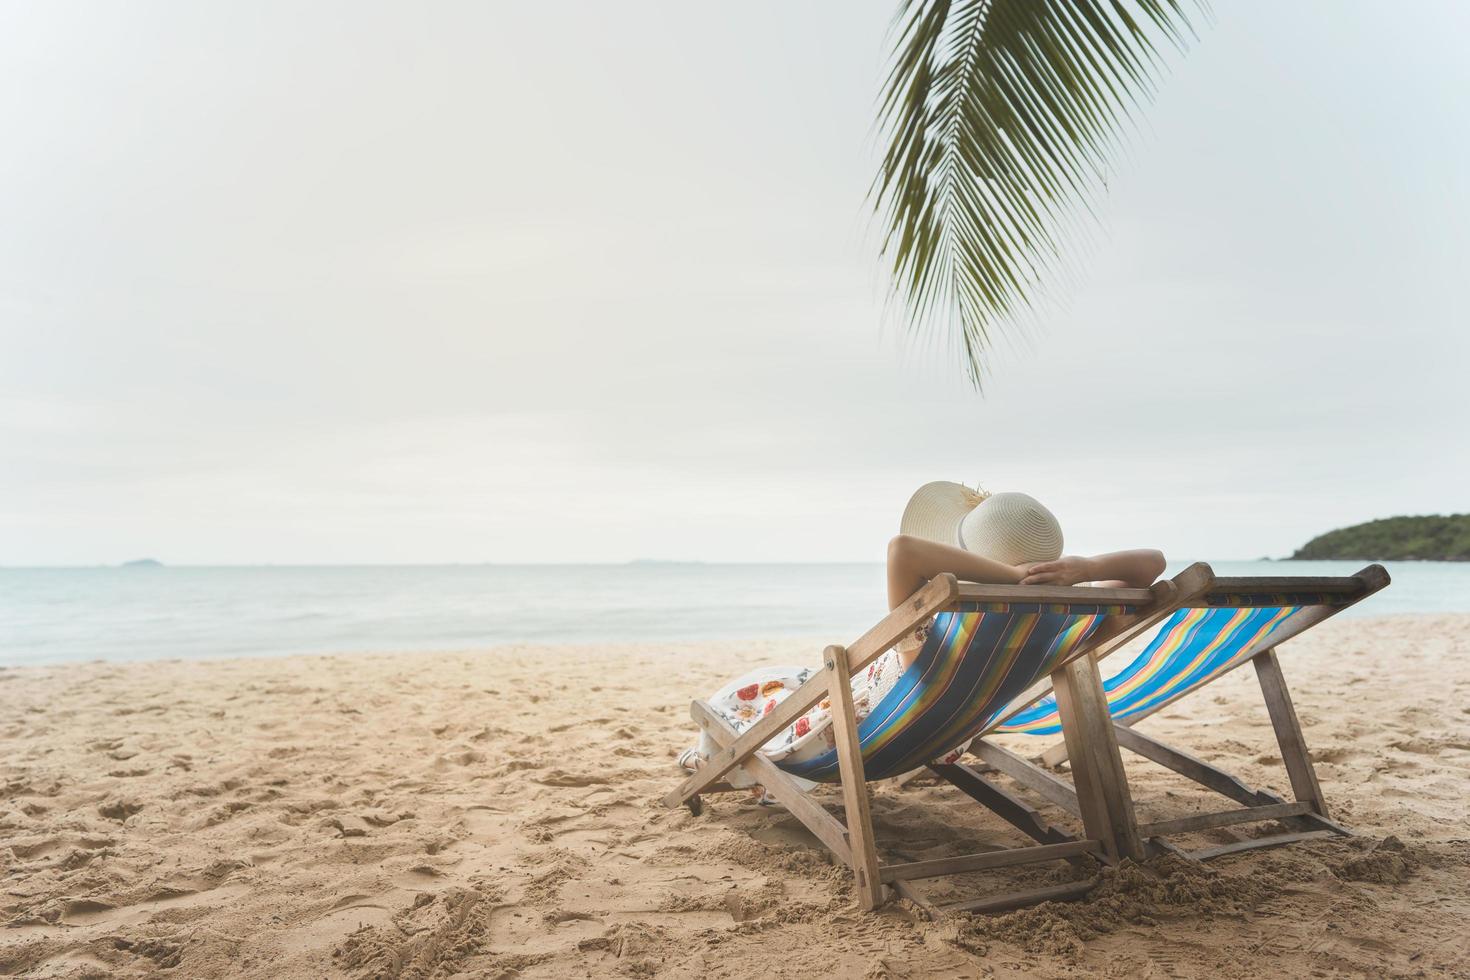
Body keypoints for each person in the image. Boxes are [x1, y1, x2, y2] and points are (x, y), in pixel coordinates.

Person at [677, 482, 1167, 792]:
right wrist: (1085, 570)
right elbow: (1154, 565)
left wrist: (1008, 580)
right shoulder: (1063, 613)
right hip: (938, 729)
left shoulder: (952, 612)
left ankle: (708, 757)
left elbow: (902, 547)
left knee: (769, 690)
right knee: (785, 680)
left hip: (841, 738)